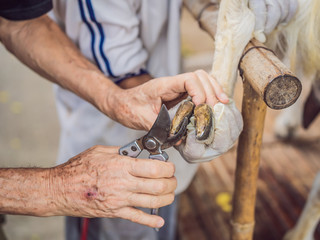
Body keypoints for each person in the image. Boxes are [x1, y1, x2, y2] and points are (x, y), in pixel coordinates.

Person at [0, 0, 227, 233]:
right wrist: (57, 187)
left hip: (142, 175)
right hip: (110, 173)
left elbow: (18, 22)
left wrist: (115, 100)